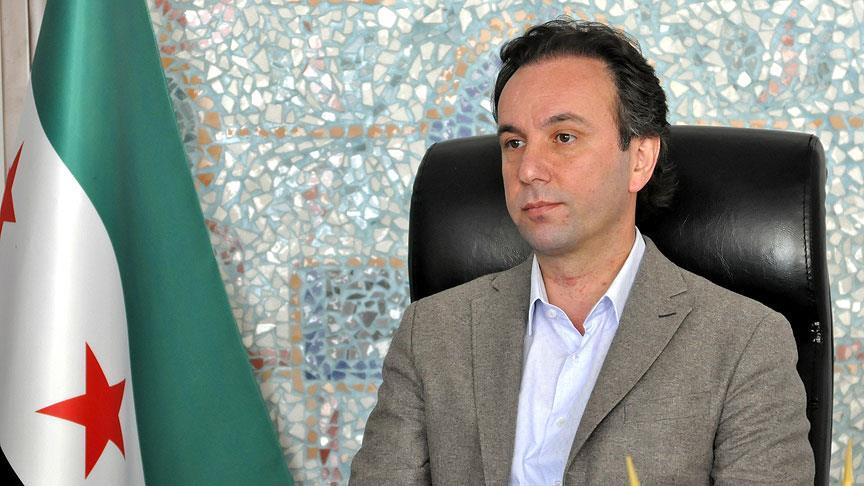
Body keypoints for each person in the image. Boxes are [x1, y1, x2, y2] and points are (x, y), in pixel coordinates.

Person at [350, 19, 813, 485]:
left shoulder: (744, 342)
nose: (529, 169)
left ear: (640, 159)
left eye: (564, 137)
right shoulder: (431, 333)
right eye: (514, 143)